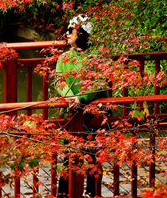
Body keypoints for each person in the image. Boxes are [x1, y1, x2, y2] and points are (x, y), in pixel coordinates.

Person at [56, 16, 106, 198]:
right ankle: (63, 195)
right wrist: (71, 98)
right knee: (69, 157)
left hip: (93, 115)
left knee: (92, 157)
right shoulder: (64, 58)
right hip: (72, 114)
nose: (67, 33)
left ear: (82, 33)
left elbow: (100, 85)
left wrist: (81, 98)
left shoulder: (97, 57)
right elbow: (59, 81)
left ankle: (91, 194)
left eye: (71, 30)